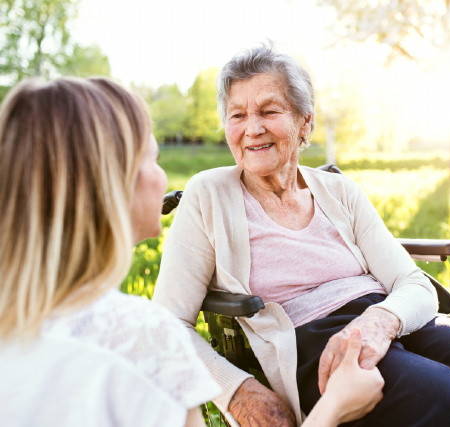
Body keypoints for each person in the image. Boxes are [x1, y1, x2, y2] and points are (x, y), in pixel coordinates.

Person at [153, 44, 450, 426]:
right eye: (237, 115)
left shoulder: (340, 191)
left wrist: (380, 322)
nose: (252, 128)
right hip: (311, 342)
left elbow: (413, 284)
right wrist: (236, 391)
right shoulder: (208, 193)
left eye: (268, 111)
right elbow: (169, 324)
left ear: (304, 122)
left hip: (388, 317)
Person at [0, 76, 382, 427]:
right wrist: (334, 408)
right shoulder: (143, 337)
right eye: (153, 158)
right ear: (112, 185)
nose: (164, 178)